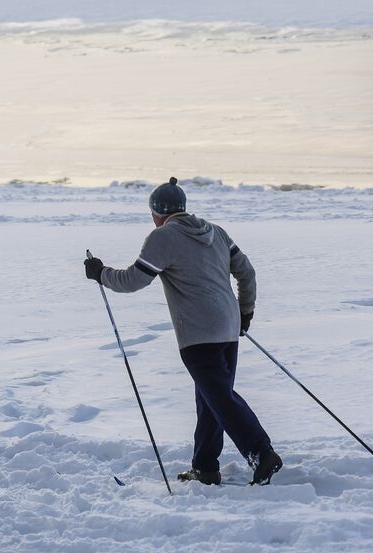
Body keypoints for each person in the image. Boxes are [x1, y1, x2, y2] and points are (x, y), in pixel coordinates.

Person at [83, 177, 283, 486]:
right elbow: (247, 272)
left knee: (220, 397)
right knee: (210, 398)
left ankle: (261, 452)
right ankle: (205, 467)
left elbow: (133, 281)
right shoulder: (217, 232)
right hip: (229, 328)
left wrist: (100, 274)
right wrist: (245, 312)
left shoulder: (162, 237)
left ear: (156, 213)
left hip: (198, 333)